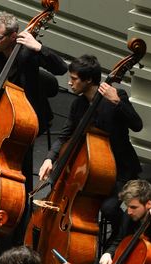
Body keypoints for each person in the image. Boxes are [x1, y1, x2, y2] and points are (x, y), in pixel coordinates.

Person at [0, 12, 67, 243]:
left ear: (13, 36)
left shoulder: (29, 53)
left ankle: (18, 227)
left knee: (21, 176)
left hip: (25, 122)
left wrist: (39, 47)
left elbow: (61, 69)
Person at [38, 54, 143, 233]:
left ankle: (122, 236)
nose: (69, 83)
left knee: (108, 209)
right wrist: (49, 158)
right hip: (93, 171)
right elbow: (64, 136)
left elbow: (137, 125)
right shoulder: (78, 105)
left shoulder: (117, 96)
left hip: (120, 170)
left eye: (74, 79)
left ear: (88, 80)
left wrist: (117, 102)